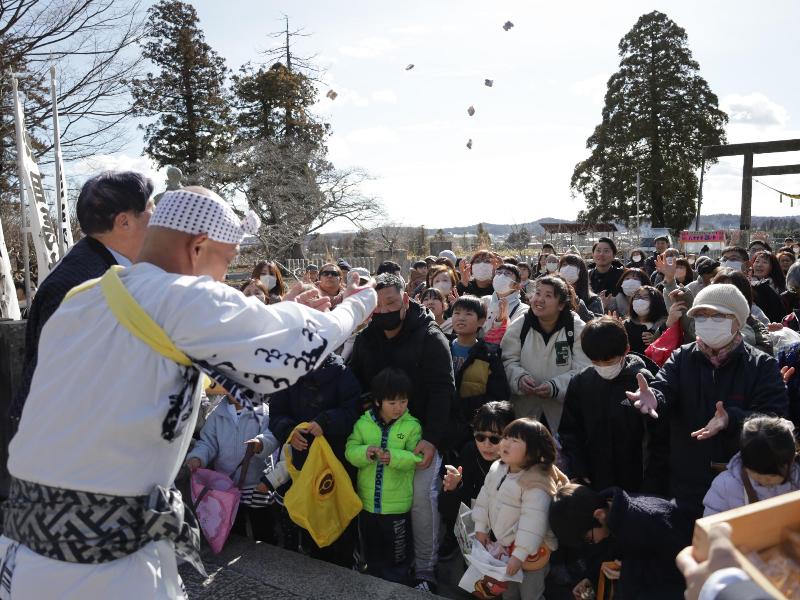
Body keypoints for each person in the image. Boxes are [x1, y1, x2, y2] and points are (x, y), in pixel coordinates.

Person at [0, 186, 378, 598]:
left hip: (26, 548)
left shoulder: (84, 296)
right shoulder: (179, 296)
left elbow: (167, 355)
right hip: (100, 567)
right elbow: (298, 343)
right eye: (227, 261)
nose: (222, 279)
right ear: (198, 247)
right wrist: (356, 305)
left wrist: (272, 313)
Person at [626, 283, 789, 516]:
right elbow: (664, 388)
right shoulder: (682, 357)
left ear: (738, 320)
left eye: (717, 316)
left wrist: (731, 419)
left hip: (740, 485)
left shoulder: (761, 365)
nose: (708, 321)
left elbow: (775, 418)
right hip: (686, 482)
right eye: (701, 315)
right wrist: (654, 398)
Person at [11, 171, 155, 424]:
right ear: (124, 222)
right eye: (152, 209)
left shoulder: (99, 264)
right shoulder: (82, 284)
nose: (159, 219)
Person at [348, 273, 455, 592]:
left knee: (422, 497)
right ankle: (368, 559)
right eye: (377, 307)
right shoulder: (367, 338)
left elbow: (442, 390)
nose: (384, 311)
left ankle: (425, 569)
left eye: (391, 303)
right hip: (377, 433)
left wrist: (431, 439)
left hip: (420, 435)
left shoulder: (429, 335)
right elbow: (355, 384)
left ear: (406, 300)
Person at [267, 352, 362, 565]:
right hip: (303, 465)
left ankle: (347, 566)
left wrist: (326, 421)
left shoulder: (343, 372)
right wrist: (290, 431)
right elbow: (276, 415)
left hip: (337, 464)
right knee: (311, 526)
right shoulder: (287, 372)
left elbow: (353, 412)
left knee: (340, 521)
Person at [560, 317, 667, 494]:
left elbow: (659, 439)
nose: (603, 367)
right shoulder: (581, 383)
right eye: (596, 362)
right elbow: (570, 431)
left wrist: (652, 482)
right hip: (594, 479)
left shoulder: (643, 383)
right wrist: (578, 468)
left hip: (637, 481)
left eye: (608, 362)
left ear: (626, 349)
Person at [472, 418, 567, 600]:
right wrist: (480, 527)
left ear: (534, 451)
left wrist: (519, 555)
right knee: (508, 592)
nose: (506, 442)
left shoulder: (536, 482)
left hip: (531, 554)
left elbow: (533, 523)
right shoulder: (497, 468)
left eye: (515, 440)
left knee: (531, 593)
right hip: (506, 548)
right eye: (506, 437)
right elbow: (485, 498)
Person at [549, 483, 695, 600]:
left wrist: (629, 572)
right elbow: (604, 557)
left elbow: (681, 566)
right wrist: (591, 580)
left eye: (589, 539)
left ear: (599, 515)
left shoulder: (648, 520)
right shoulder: (609, 518)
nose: (594, 542)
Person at [345, 367, 422, 584]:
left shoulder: (412, 426)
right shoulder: (363, 423)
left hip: (397, 506)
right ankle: (374, 584)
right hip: (367, 504)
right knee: (372, 550)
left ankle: (397, 585)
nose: (399, 408)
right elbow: (350, 450)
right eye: (392, 403)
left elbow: (417, 457)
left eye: (403, 401)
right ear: (378, 401)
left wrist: (394, 457)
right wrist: (365, 452)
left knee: (397, 554)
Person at [185, 389, 278, 542]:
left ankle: (268, 557)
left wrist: (261, 443)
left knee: (263, 526)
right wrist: (198, 457)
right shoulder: (217, 414)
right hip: (227, 485)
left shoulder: (262, 413)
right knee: (233, 528)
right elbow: (207, 442)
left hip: (257, 484)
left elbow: (272, 436)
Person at [501, 276, 591, 431]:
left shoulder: (576, 328)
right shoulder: (521, 324)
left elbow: (584, 369)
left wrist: (555, 387)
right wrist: (519, 378)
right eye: (537, 293)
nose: (539, 300)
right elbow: (507, 360)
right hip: (524, 412)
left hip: (563, 414)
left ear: (561, 304)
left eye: (548, 296)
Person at [438, 401, 515, 560]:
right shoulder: (470, 452)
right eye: (480, 436)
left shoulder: (520, 463)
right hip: (476, 537)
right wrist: (453, 488)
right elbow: (447, 510)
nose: (486, 445)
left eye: (495, 439)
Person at [703, 415, 800, 516]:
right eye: (756, 475)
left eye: (771, 477)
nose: (764, 481)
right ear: (744, 462)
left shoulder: (797, 480)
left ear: (791, 460)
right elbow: (710, 525)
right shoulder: (725, 486)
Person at [449, 295, 510, 447]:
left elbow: (499, 395)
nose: (461, 318)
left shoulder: (489, 355)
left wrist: (461, 405)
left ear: (481, 321)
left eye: (468, 314)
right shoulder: (442, 346)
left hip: (473, 430)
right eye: (457, 313)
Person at [482, 262, 524, 343]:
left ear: (517, 285)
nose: (501, 276)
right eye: (499, 272)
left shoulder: (522, 310)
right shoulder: (484, 301)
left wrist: (501, 322)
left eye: (508, 273)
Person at [624, 285, 668, 354]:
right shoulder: (625, 324)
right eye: (637, 297)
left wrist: (656, 341)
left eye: (646, 297)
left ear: (656, 302)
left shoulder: (664, 325)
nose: (640, 300)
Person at [558, 253, 603, 321]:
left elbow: (597, 324)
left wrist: (578, 304)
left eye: (572, 265)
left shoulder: (593, 300)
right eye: (564, 265)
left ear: (581, 271)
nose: (567, 268)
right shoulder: (556, 296)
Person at [749, 250, 787, 323]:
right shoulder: (746, 284)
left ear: (772, 267)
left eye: (765, 262)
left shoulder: (781, 287)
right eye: (757, 261)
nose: (759, 265)